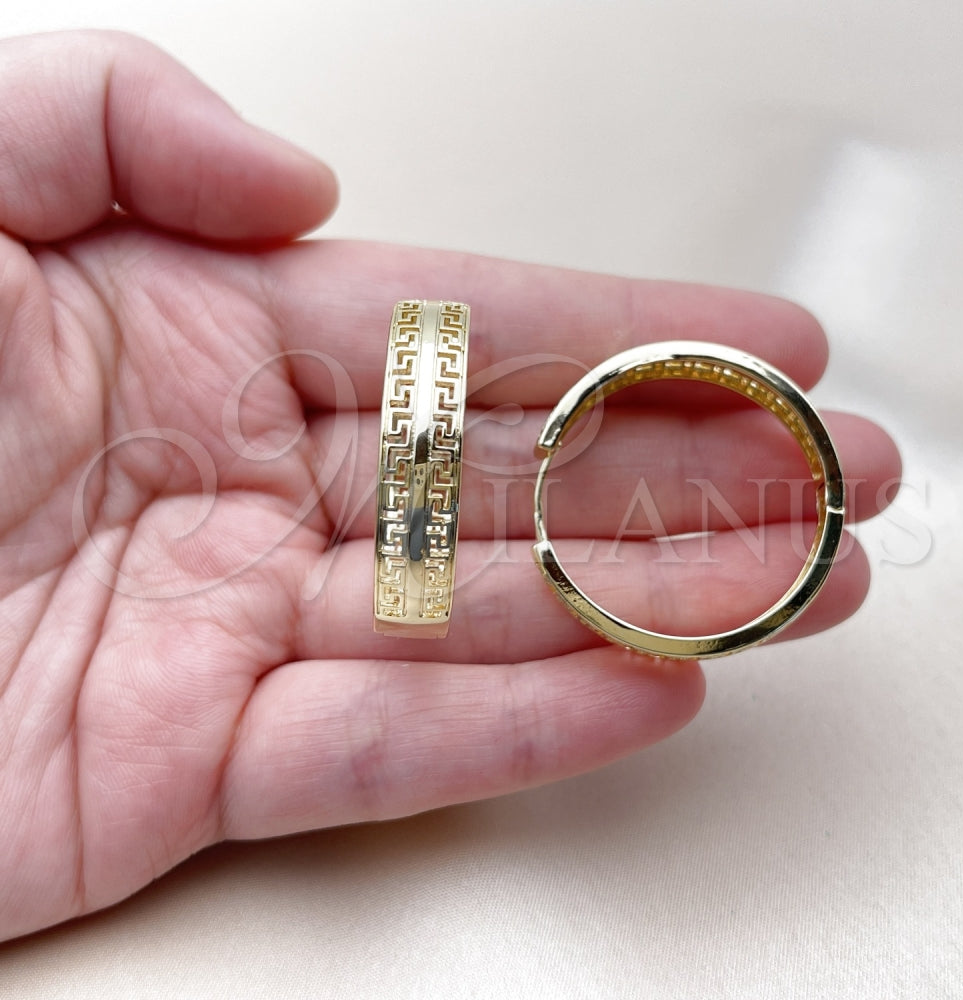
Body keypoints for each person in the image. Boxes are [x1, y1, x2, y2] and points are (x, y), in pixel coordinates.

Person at [0, 30, 900, 942]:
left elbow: (417, 498)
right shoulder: (412, 393)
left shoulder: (415, 410)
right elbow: (416, 492)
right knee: (422, 559)